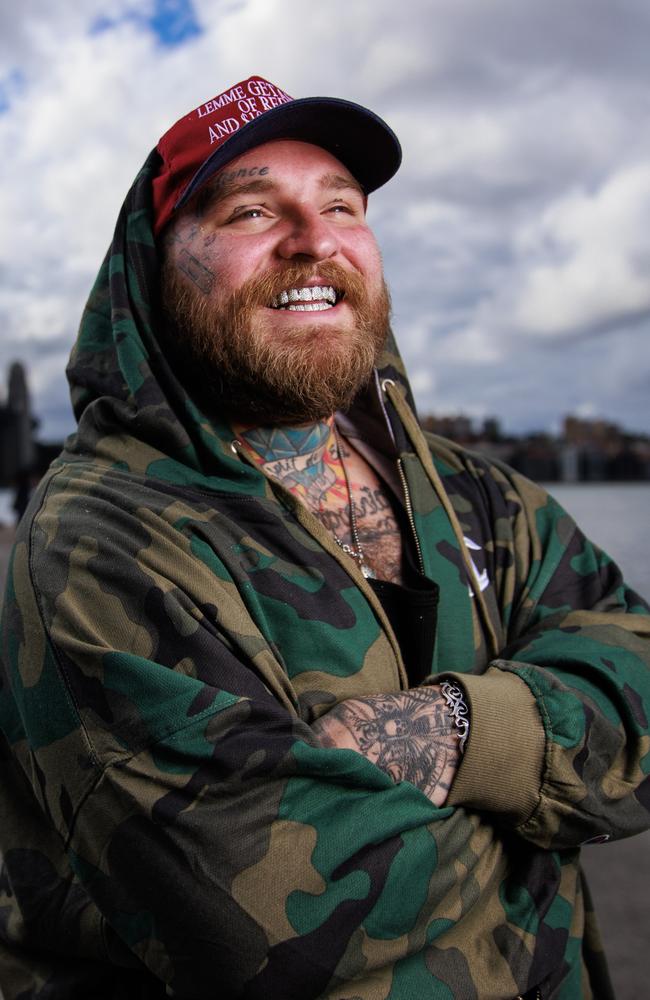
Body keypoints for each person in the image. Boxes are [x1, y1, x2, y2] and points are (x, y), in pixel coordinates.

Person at [0, 74, 648, 1000]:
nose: (314, 240)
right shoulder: (99, 545)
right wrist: (548, 828)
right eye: (253, 210)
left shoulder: (474, 495)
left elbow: (641, 659)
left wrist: (461, 732)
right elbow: (285, 934)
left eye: (342, 204)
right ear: (153, 269)